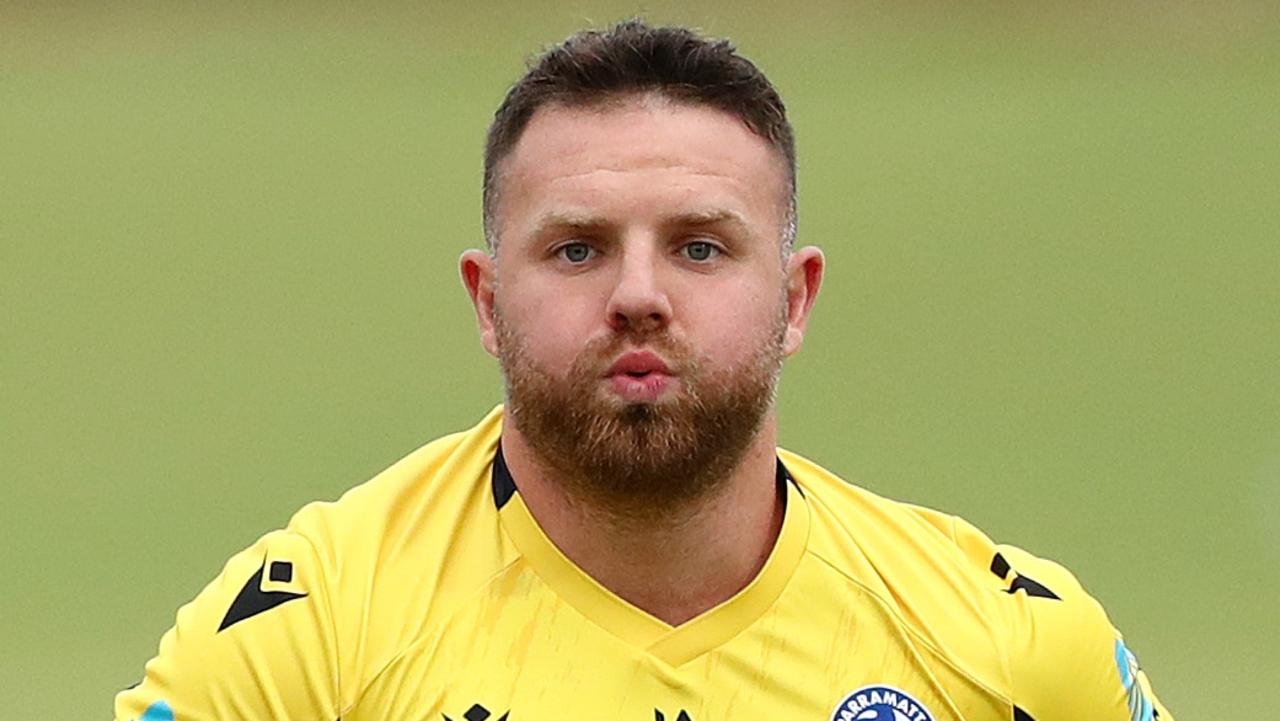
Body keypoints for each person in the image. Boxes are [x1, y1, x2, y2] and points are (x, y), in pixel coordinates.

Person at [115, 19, 1174, 721]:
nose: (637, 294)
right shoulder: (311, 637)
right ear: (487, 301)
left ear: (794, 297)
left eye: (699, 246)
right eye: (575, 248)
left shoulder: (1003, 647)